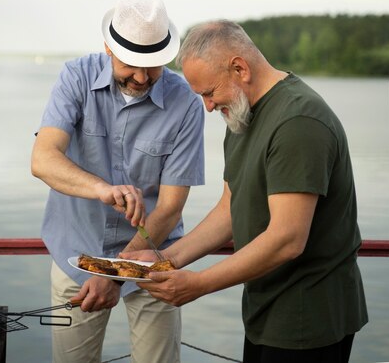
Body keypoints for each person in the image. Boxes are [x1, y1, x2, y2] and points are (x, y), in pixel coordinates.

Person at [122, 19, 368, 363]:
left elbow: (287, 238)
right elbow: (229, 209)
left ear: (239, 68)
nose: (207, 107)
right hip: (266, 311)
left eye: (209, 93)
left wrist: (199, 284)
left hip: (309, 321)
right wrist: (165, 258)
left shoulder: (298, 122)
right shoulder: (240, 114)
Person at [31, 0, 205, 363]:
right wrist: (103, 189)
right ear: (108, 48)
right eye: (132, 64)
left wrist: (113, 274)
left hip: (151, 261)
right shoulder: (75, 76)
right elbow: (43, 160)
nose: (142, 77)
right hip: (75, 257)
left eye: (154, 66)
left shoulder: (187, 102)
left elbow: (171, 208)